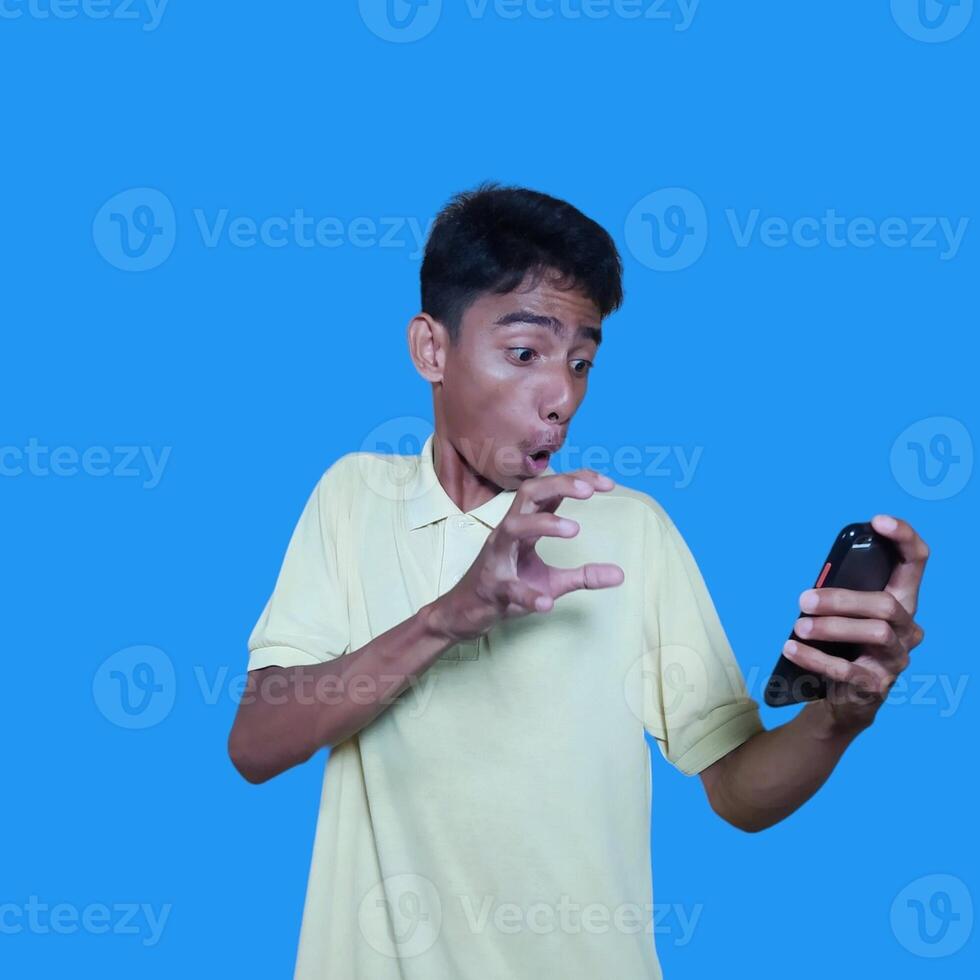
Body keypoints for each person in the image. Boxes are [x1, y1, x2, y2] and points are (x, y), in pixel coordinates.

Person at [227, 181, 929, 980]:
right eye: (525, 353)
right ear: (431, 349)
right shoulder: (355, 500)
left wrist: (843, 718)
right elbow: (255, 744)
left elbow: (736, 788)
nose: (561, 395)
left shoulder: (629, 530)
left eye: (582, 361)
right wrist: (451, 615)